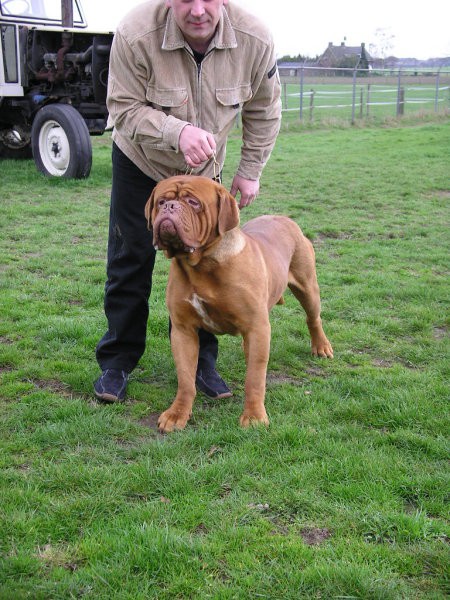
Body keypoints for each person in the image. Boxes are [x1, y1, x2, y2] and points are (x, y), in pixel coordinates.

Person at [94, 0, 281, 402]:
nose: (197, 10)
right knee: (130, 260)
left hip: (202, 172)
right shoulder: (135, 32)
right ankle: (117, 362)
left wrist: (251, 170)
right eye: (184, 0)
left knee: (211, 260)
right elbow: (122, 107)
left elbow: (265, 109)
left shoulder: (255, 38)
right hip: (141, 159)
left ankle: (203, 367)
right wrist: (175, 132)